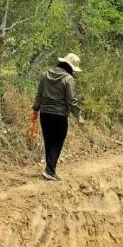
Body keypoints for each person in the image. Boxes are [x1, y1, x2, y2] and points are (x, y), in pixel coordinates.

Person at [32, 52, 82, 180]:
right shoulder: (68, 79)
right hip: (59, 115)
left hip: (45, 113)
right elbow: (72, 100)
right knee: (57, 142)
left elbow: (39, 94)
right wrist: (78, 116)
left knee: (49, 141)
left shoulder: (45, 74)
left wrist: (35, 110)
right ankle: (49, 171)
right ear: (70, 67)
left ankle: (49, 169)